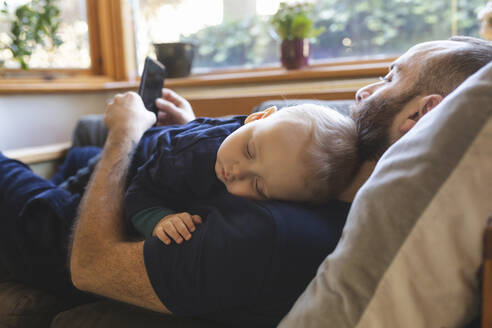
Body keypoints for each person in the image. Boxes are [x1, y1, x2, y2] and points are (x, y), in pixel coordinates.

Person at [0, 36, 491, 328]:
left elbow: (89, 267)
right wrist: (189, 134)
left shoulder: (266, 238)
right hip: (147, 178)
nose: (365, 89)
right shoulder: (333, 174)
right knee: (86, 142)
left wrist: (125, 137)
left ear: (423, 114)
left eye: (390, 78)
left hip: (63, 228)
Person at [125, 103, 358, 244]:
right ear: (257, 117)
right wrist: (159, 219)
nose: (236, 172)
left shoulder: (264, 142)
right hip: (130, 160)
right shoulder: (188, 156)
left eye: (257, 185)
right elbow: (138, 192)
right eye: (249, 151)